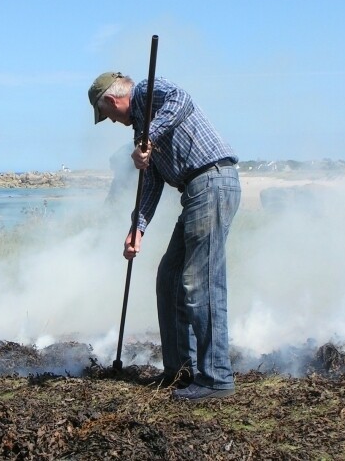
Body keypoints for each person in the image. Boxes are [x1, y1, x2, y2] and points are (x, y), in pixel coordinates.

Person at [88, 71, 241, 402]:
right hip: (196, 193)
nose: (113, 122)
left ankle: (216, 378)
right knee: (169, 277)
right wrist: (137, 228)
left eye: (108, 116)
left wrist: (149, 137)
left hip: (212, 181)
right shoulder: (140, 136)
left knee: (200, 282)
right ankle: (179, 370)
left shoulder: (145, 92)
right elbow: (153, 183)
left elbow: (182, 100)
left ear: (113, 101)